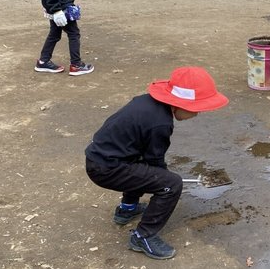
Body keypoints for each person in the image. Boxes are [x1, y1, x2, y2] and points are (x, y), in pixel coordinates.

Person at [84, 67, 229, 260]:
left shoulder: (148, 103)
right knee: (171, 183)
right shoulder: (160, 123)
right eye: (196, 108)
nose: (198, 113)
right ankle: (143, 236)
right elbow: (155, 163)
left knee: (143, 169)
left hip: (102, 158)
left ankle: (127, 209)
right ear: (181, 103)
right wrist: (165, 183)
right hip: (107, 169)